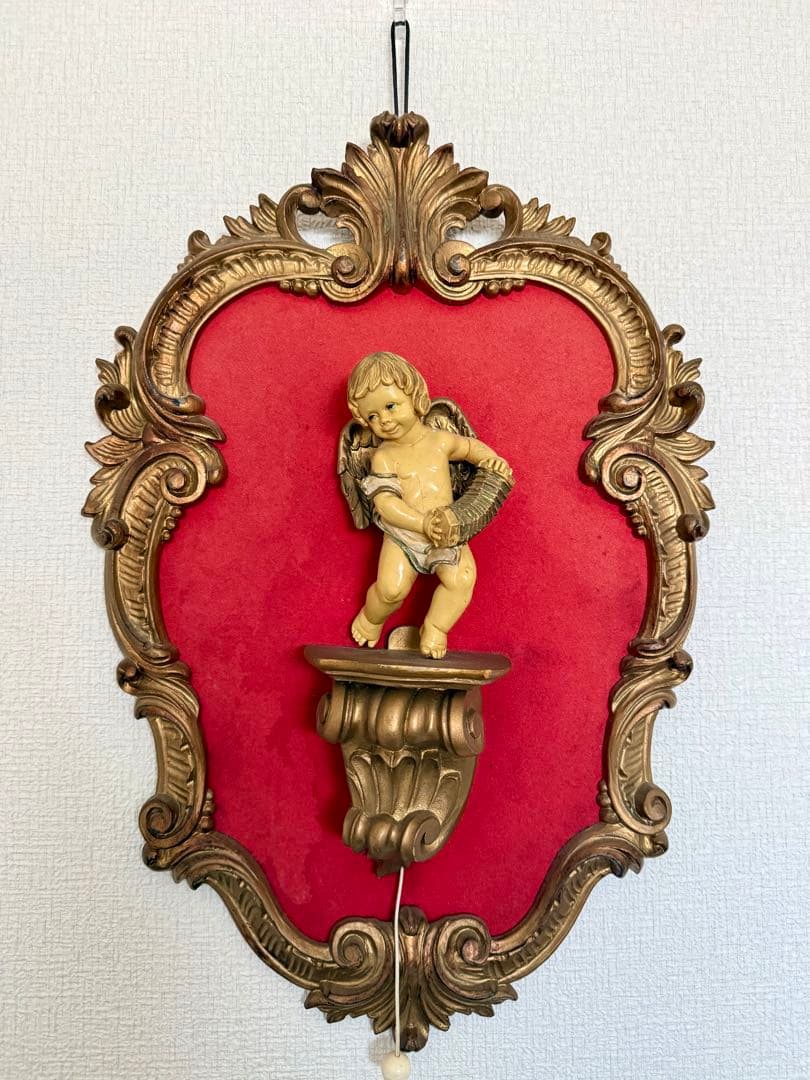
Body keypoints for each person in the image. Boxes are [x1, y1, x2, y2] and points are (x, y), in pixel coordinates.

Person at [346, 351, 512, 658]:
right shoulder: (384, 457)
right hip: (404, 534)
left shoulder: (440, 440)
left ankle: (435, 627)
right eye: (372, 417)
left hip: (447, 530)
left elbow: (469, 447)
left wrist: (491, 460)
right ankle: (371, 618)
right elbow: (385, 504)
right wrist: (421, 523)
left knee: (461, 579)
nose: (384, 420)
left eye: (390, 406)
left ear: (416, 398)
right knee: (390, 589)